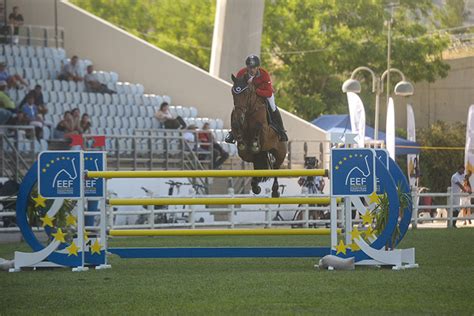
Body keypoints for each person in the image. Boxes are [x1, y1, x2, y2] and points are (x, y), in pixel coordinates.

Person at [225, 54, 288, 143]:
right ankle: (232, 132)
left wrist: (256, 90)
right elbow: (238, 87)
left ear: (258, 67)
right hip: (247, 95)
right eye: (250, 67)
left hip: (263, 92)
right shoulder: (241, 73)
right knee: (238, 107)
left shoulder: (264, 74)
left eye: (254, 68)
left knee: (273, 107)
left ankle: (281, 130)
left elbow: (268, 92)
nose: (252, 70)